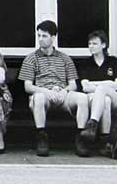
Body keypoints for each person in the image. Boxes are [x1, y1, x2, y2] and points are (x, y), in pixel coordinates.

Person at [19, 19, 90, 157]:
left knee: (82, 98)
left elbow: (73, 84)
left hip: (62, 94)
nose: (40, 39)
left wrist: (64, 91)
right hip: (43, 94)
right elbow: (27, 86)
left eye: (44, 36)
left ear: (53, 37)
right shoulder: (31, 58)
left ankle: (81, 137)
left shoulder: (65, 58)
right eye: (39, 35)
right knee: (38, 98)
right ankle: (41, 136)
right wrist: (46, 91)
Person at [78, 29, 117, 149]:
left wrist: (97, 85)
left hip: (116, 99)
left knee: (103, 91)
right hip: (97, 99)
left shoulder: (114, 62)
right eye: (89, 44)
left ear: (103, 45)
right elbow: (85, 87)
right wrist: (109, 83)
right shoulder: (86, 63)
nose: (91, 47)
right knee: (105, 101)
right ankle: (105, 141)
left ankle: (92, 123)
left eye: (95, 44)